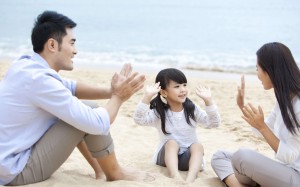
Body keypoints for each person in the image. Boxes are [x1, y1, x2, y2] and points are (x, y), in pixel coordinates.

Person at [0, 10, 148, 185]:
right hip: (15, 171)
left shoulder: (25, 64)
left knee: (78, 111)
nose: (75, 51)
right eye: (71, 43)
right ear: (52, 45)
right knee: (89, 112)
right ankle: (115, 173)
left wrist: (111, 91)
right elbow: (98, 124)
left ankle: (101, 171)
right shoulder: (40, 81)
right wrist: (119, 97)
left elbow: (70, 87)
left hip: (8, 161)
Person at [211, 42, 300, 187]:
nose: (257, 74)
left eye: (257, 68)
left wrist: (263, 127)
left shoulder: (298, 105)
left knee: (242, 157)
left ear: (270, 70)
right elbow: (262, 132)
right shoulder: (284, 99)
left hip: (295, 177)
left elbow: (290, 156)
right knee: (220, 156)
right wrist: (242, 107)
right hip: (284, 171)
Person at [133, 68, 221, 183]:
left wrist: (209, 101)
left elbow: (214, 123)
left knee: (197, 146)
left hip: (188, 160)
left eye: (184, 85)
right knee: (171, 143)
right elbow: (139, 119)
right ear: (164, 92)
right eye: (177, 86)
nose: (183, 89)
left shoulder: (191, 110)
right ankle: (175, 177)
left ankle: (190, 179)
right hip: (165, 159)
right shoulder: (159, 112)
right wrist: (147, 97)